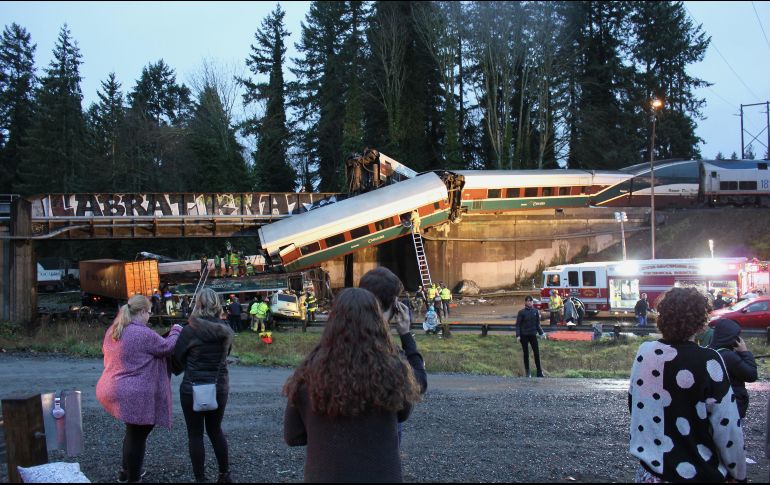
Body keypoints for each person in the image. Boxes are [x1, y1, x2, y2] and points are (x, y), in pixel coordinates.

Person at [283, 288, 422, 482]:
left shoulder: (307, 374)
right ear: (377, 323)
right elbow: (403, 414)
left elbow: (293, 436)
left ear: (332, 322)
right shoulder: (394, 371)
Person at [628, 287, 746, 483]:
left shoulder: (645, 353)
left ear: (661, 318)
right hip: (700, 473)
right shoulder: (709, 361)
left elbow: (636, 404)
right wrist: (739, 474)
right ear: (701, 324)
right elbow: (727, 426)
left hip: (653, 473)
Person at [96, 295, 183, 484]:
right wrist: (176, 330)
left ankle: (125, 472)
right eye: (149, 312)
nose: (149, 317)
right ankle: (133, 479)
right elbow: (167, 347)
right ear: (142, 312)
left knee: (132, 432)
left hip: (112, 387)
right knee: (138, 436)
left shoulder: (114, 329)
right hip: (133, 393)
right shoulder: (142, 333)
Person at [172, 288, 234, 483]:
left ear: (197, 304)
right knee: (215, 429)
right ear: (217, 304)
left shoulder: (189, 330)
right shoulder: (226, 330)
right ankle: (224, 474)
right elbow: (227, 354)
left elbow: (176, 359)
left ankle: (200, 478)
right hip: (218, 386)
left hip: (192, 387)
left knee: (195, 434)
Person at [359, 267, 428, 396]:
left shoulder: (332, 346)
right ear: (395, 305)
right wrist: (406, 335)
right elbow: (420, 384)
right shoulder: (388, 355)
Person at [708, 318, 758, 420]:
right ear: (732, 337)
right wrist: (744, 352)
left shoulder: (710, 351)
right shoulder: (728, 356)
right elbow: (751, 375)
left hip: (715, 405)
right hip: (732, 406)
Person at [516, 296, 545, 377]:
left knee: (536, 353)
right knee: (526, 354)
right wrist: (518, 335)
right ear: (525, 302)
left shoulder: (536, 311)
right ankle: (528, 372)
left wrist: (541, 333)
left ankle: (539, 372)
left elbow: (537, 325)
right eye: (528, 301)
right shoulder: (521, 312)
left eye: (530, 301)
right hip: (524, 335)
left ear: (532, 302)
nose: (529, 302)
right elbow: (518, 325)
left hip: (533, 335)